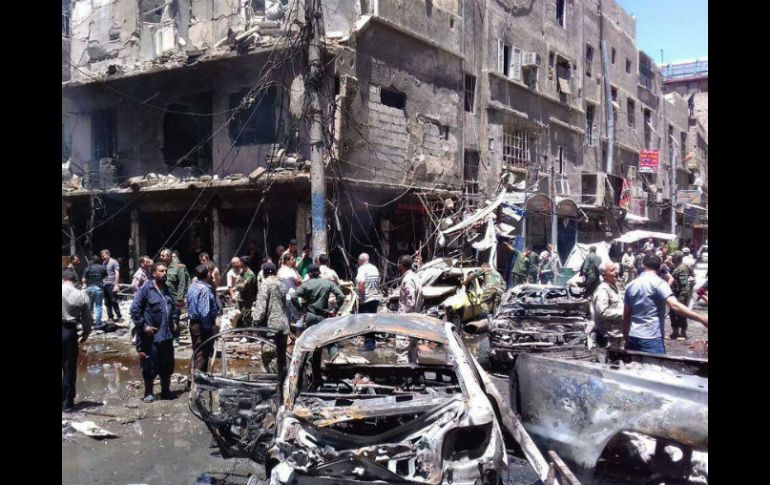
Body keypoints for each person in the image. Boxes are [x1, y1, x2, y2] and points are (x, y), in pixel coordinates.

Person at [622, 254, 708, 354]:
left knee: (635, 364)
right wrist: (701, 319)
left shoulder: (630, 285)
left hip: (633, 336)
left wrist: (626, 337)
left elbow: (626, 315)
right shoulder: (660, 283)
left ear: (642, 265)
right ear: (660, 267)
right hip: (652, 338)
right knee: (656, 364)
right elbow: (675, 305)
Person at [131, 261, 180, 402]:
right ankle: (148, 392)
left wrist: (175, 321)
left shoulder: (167, 290)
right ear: (153, 273)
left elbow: (175, 307)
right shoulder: (146, 290)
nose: (165, 273)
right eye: (161, 271)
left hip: (167, 336)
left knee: (167, 365)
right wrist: (144, 326)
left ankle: (166, 391)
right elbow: (134, 310)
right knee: (149, 365)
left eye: (166, 271)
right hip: (151, 337)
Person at [253, 262, 290, 397]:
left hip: (270, 327)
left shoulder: (265, 284)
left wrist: (255, 321)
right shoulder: (282, 284)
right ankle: (285, 387)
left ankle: (276, 391)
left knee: (269, 356)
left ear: (264, 272)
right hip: (283, 326)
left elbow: (261, 308)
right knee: (281, 358)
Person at [62, 268, 92, 412]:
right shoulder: (81, 295)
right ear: (74, 280)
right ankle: (67, 404)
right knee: (69, 368)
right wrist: (86, 333)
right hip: (69, 331)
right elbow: (87, 318)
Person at [187, 264, 220, 374]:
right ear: (208, 274)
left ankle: (192, 378)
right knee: (202, 353)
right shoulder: (204, 289)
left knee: (197, 351)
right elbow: (204, 312)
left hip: (194, 323)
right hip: (202, 325)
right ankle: (197, 379)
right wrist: (208, 329)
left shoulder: (192, 287)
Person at [292, 264, 344, 329]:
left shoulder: (305, 285)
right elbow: (341, 296)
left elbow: (293, 296)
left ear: (309, 274)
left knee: (309, 334)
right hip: (323, 316)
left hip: (310, 316)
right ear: (319, 273)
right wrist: (335, 310)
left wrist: (300, 309)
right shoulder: (328, 283)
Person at [591, 262, 624, 349]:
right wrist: (623, 314)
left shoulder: (616, 287)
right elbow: (602, 312)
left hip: (618, 333)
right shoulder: (602, 290)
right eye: (612, 270)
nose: (616, 272)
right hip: (609, 337)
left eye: (616, 269)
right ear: (604, 275)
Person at [396, 255, 422, 363]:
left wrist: (403, 319)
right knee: (412, 352)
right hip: (414, 320)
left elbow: (410, 302)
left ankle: (403, 372)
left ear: (401, 265)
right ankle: (412, 372)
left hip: (406, 321)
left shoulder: (408, 280)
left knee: (402, 352)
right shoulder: (415, 277)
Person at [356, 253, 381, 351]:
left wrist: (361, 298)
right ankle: (371, 343)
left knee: (365, 322)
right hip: (375, 298)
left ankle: (369, 346)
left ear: (361, 260)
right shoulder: (374, 268)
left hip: (366, 299)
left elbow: (361, 283)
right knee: (372, 321)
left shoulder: (362, 269)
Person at [669, 252, 693, 341]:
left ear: (677, 258)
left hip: (680, 296)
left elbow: (684, 285)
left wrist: (681, 298)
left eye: (673, 257)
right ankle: (675, 332)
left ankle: (683, 333)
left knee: (682, 314)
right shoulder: (676, 267)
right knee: (672, 313)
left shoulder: (682, 269)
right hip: (675, 294)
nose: (671, 258)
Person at [161, 248, 191, 314]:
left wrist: (180, 298)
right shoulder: (163, 265)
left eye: (163, 256)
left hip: (175, 298)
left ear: (168, 256)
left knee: (177, 315)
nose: (161, 257)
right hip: (165, 297)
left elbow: (182, 283)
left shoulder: (179, 266)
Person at [82, 255, 108, 329]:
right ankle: (98, 324)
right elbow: (106, 277)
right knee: (98, 306)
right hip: (98, 288)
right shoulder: (102, 267)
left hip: (89, 288)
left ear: (92, 261)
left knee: (90, 307)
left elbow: (83, 280)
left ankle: (89, 324)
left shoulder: (87, 268)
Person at [277, 252, 303, 327]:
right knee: (297, 317)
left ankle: (287, 332)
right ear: (287, 261)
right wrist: (301, 279)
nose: (294, 261)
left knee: (286, 316)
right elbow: (298, 282)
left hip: (283, 297)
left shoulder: (280, 271)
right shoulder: (290, 271)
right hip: (291, 297)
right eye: (292, 259)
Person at [235, 256, 258, 327]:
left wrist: (237, 286)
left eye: (239, 262)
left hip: (247, 300)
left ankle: (249, 332)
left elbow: (242, 287)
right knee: (237, 317)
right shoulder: (242, 273)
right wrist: (238, 285)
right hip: (240, 299)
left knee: (246, 318)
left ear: (243, 263)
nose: (238, 264)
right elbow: (238, 283)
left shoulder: (250, 274)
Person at [100, 249, 123, 323]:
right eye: (102, 256)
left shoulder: (114, 262)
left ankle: (119, 316)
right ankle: (110, 317)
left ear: (108, 254)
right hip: (105, 284)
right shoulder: (104, 263)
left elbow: (117, 273)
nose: (103, 257)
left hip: (112, 284)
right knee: (107, 302)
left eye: (104, 256)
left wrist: (116, 284)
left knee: (114, 301)